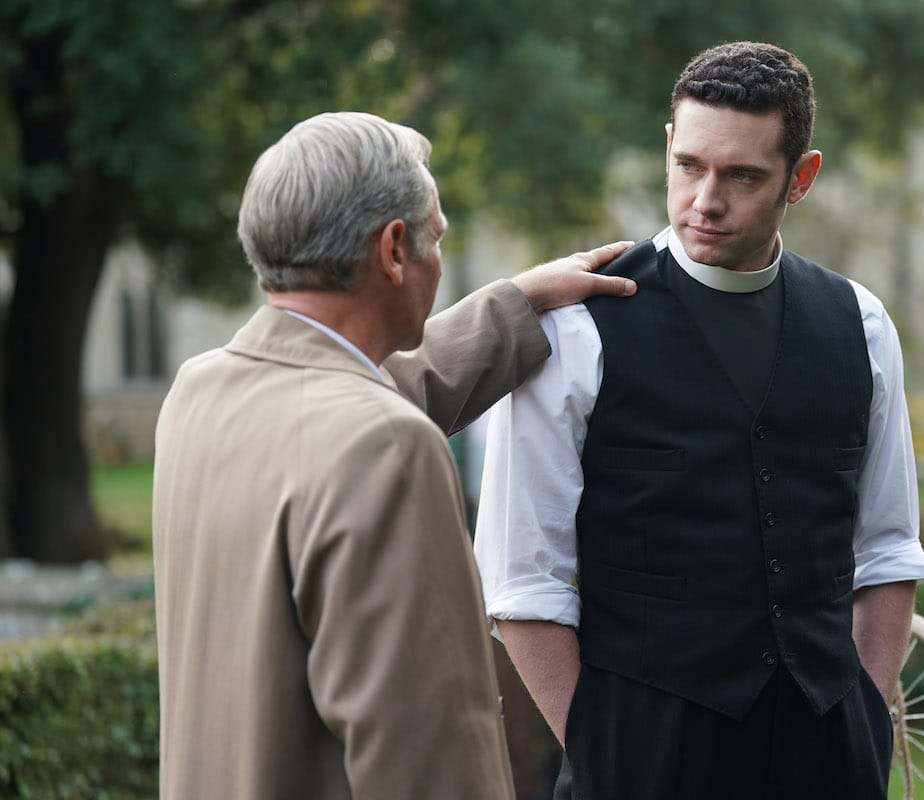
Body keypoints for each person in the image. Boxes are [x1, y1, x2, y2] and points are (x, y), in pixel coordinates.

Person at [474, 42, 924, 799]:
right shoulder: (579, 328)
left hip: (830, 753)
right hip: (641, 757)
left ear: (802, 178)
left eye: (743, 176)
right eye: (689, 165)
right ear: (667, 149)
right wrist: (601, 749)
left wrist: (868, 717)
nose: (705, 201)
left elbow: (888, 550)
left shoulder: (860, 323)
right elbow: (523, 583)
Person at [152, 111, 635, 800]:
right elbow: (431, 759)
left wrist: (516, 304)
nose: (440, 257)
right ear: (394, 250)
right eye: (436, 236)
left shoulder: (200, 394)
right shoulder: (387, 447)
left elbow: (344, 399)